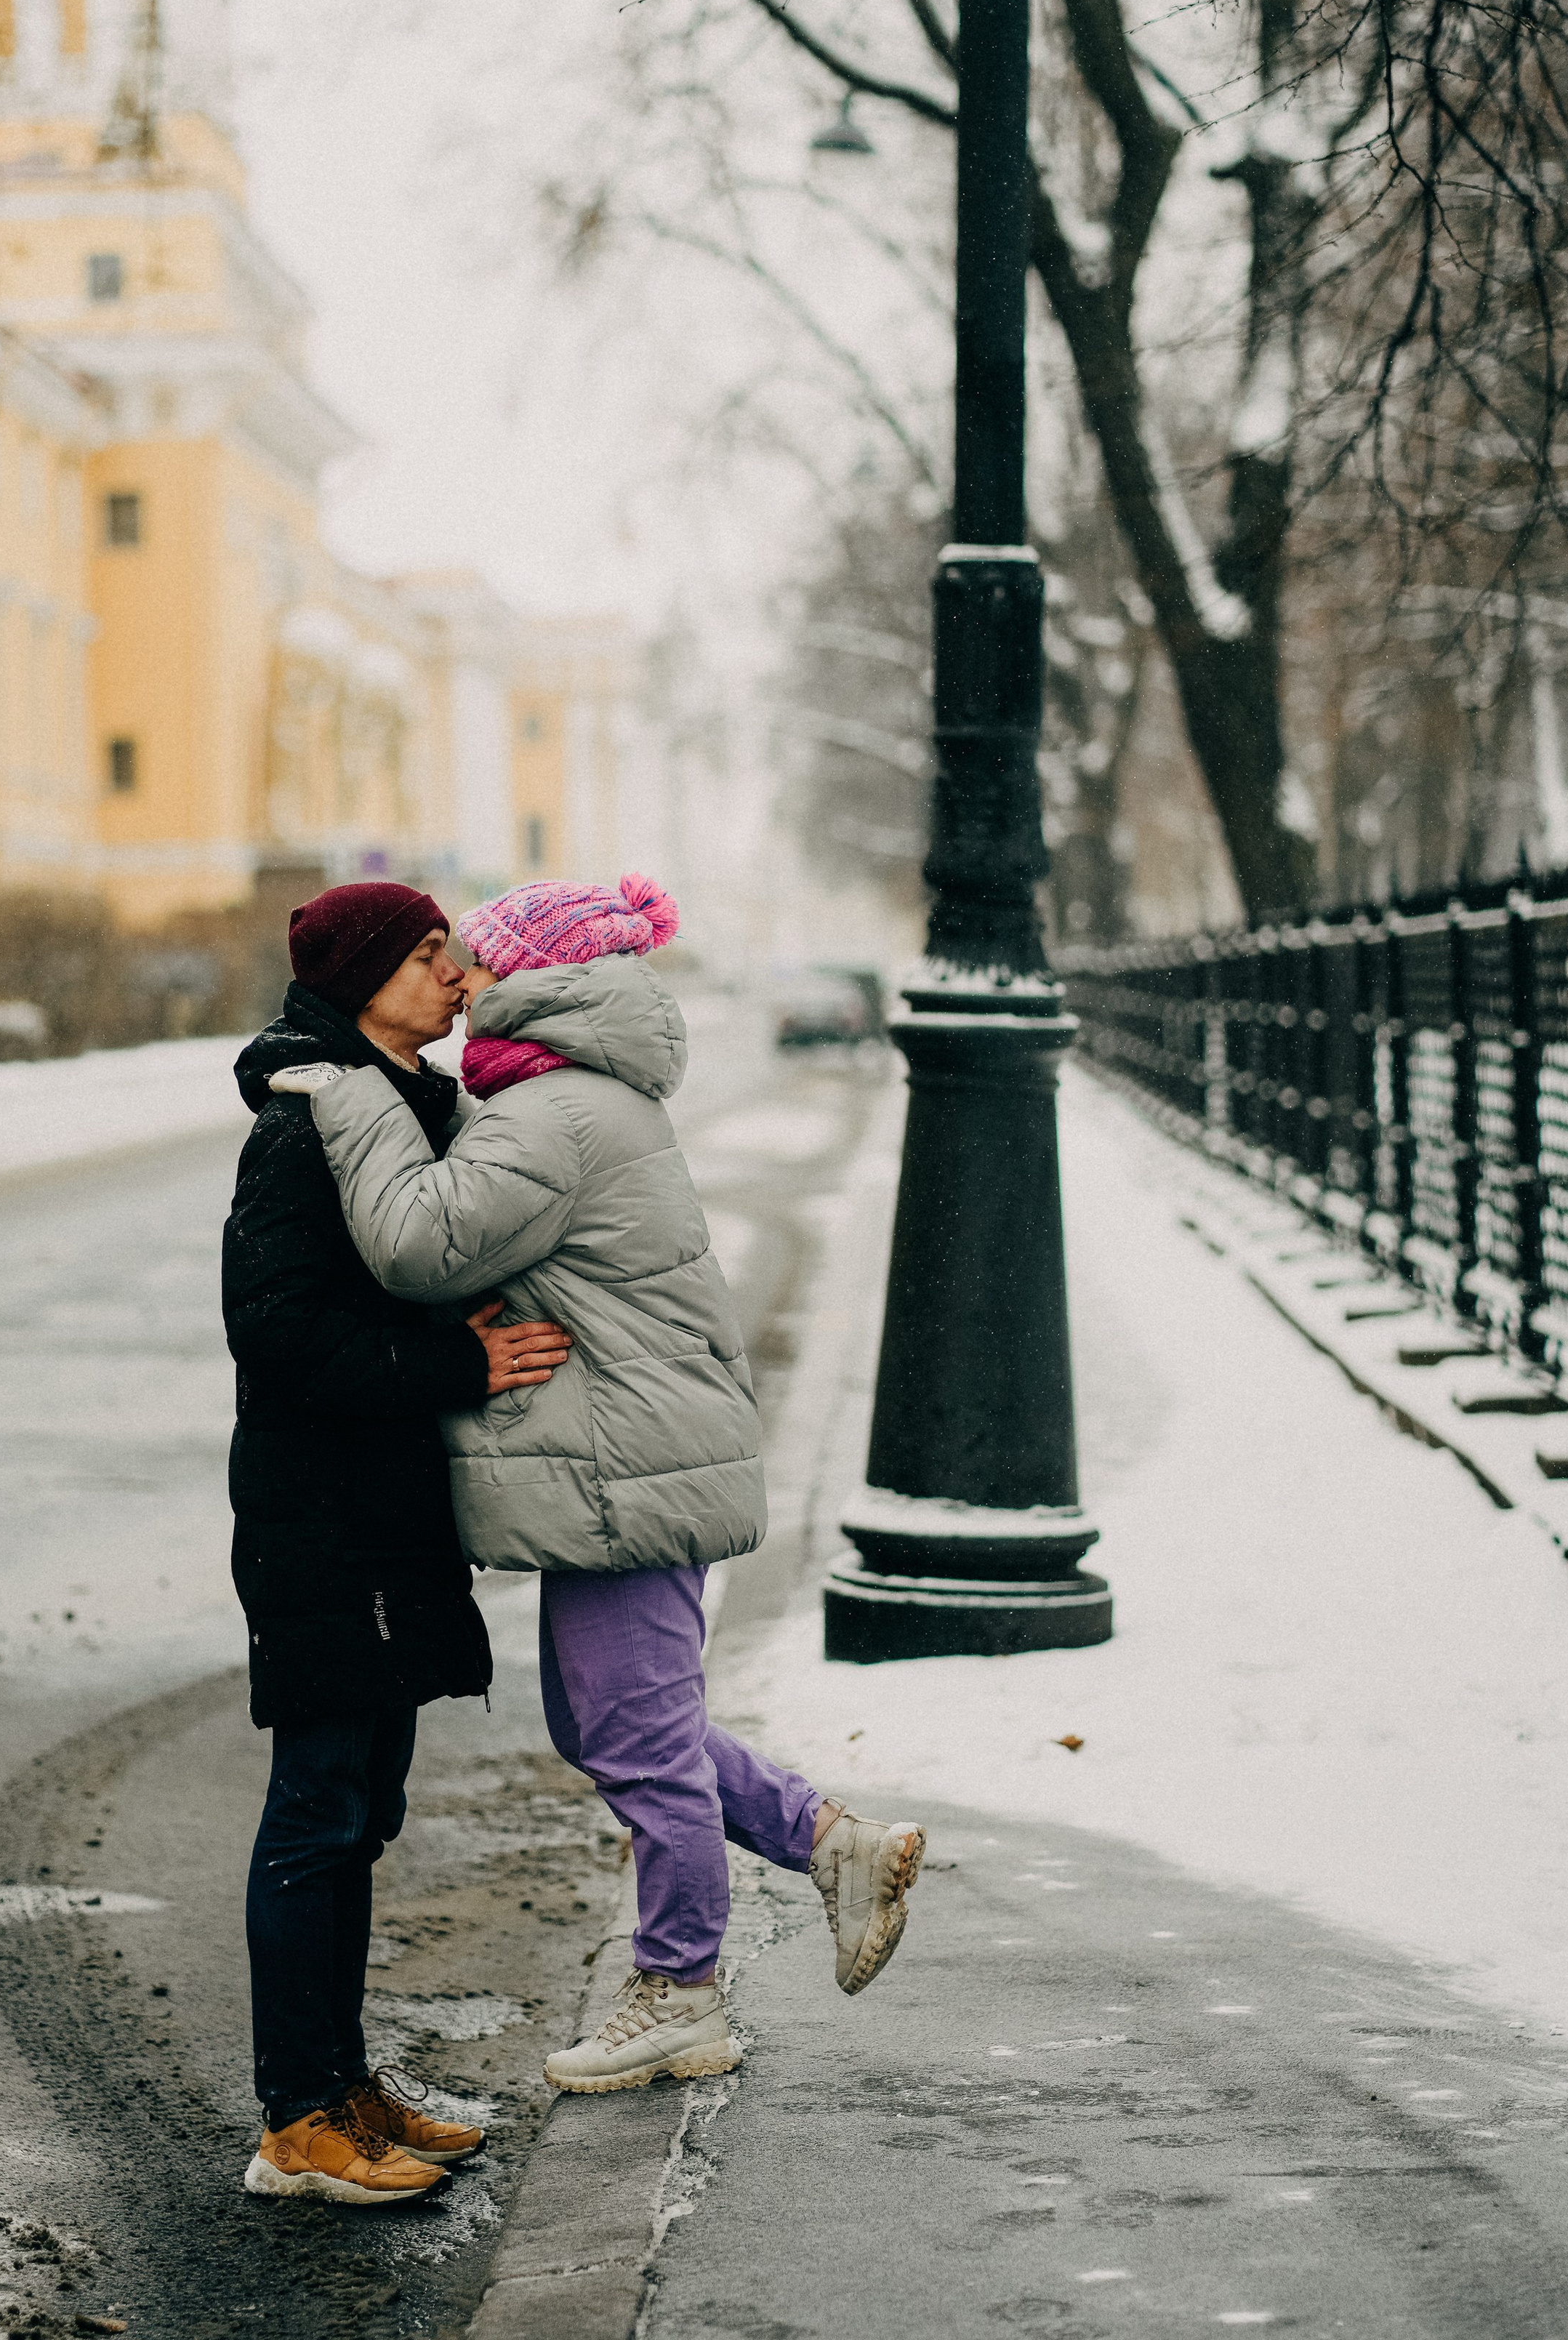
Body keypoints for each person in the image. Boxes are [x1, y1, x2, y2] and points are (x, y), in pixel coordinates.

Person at [271, 872, 923, 2096]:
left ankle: (680, 1989)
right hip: (630, 1458)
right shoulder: (570, 1100)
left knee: (632, 1736)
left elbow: (423, 1243)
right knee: (614, 1725)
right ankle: (833, 1846)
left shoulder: (556, 1115)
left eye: (483, 966)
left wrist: (353, 1105)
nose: (465, 986)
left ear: (541, 985)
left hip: (627, 1468)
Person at [223, 879, 573, 2200]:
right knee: (316, 1810)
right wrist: (457, 1365)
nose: (458, 975)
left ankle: (346, 2086)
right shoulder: (304, 1129)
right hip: (323, 1513)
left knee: (363, 1812)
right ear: (365, 976)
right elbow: (276, 1334)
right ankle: (296, 2119)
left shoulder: (411, 1111)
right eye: (429, 957)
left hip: (388, 1509)